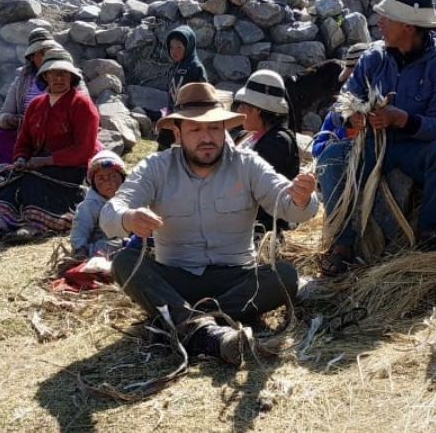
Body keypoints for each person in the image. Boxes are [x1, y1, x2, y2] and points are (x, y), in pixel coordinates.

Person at [102, 82, 319, 365]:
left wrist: (303, 199)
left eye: (215, 128)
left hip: (236, 281)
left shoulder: (247, 164)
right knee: (124, 262)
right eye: (196, 129)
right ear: (178, 133)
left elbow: (291, 207)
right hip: (177, 278)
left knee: (285, 276)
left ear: (225, 130)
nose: (207, 137)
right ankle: (206, 330)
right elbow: (109, 214)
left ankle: (183, 324)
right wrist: (128, 218)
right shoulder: (156, 167)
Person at [314, 0, 436, 276]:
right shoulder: (373, 58)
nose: (379, 22)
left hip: (415, 149)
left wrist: (402, 119)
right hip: (372, 145)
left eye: (387, 17)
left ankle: (427, 233)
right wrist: (351, 115)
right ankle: (343, 244)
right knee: (331, 158)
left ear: (408, 26)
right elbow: (344, 99)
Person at [0, 56, 102, 243]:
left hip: (72, 168)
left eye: (64, 74)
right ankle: (0, 221)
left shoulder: (82, 105)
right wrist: (20, 158)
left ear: (71, 78)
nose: (59, 78)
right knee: (13, 181)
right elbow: (23, 140)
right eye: (53, 74)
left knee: (34, 183)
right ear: (45, 77)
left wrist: (46, 161)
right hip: (37, 164)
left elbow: (84, 149)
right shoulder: (36, 105)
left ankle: (35, 226)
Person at [0, 29, 71, 167]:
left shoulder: (70, 76)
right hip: (27, 132)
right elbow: (4, 115)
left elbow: (82, 106)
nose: (47, 56)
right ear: (31, 58)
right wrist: (17, 121)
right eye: (41, 53)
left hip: (60, 131)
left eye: (50, 51)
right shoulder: (22, 80)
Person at [233, 69, 301, 236]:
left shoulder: (277, 143)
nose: (239, 110)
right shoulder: (245, 136)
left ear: (258, 110)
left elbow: (254, 186)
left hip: (263, 225)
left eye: (243, 105)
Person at [152, 25, 209, 151]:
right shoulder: (176, 67)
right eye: (171, 47)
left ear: (188, 47)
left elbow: (204, 97)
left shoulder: (195, 68)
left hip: (189, 119)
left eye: (179, 47)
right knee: (163, 152)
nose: (174, 51)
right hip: (173, 118)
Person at [69, 150, 128, 260]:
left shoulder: (133, 199)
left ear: (123, 177)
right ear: (93, 183)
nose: (107, 182)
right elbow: (80, 229)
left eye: (112, 176)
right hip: (102, 248)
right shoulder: (89, 205)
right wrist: (80, 249)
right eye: (101, 178)